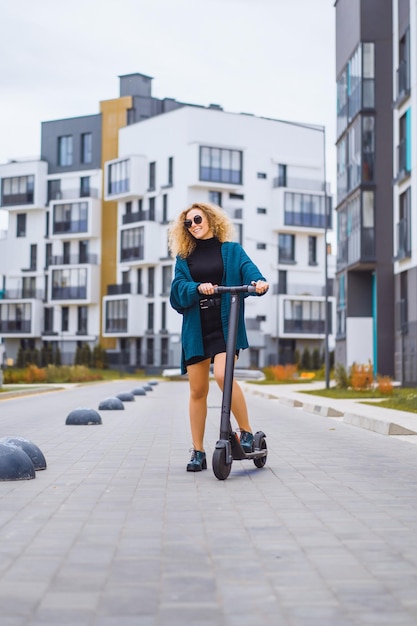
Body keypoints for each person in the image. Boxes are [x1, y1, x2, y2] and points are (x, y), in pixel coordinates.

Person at [168, 202, 269, 472]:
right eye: (187, 223)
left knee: (224, 376)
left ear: (210, 219)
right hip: (196, 327)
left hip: (226, 323)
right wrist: (196, 287)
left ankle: (245, 433)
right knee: (198, 390)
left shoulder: (232, 251)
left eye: (197, 219)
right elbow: (176, 292)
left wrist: (258, 282)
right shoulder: (183, 257)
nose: (193, 225)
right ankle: (198, 451)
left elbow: (249, 270)